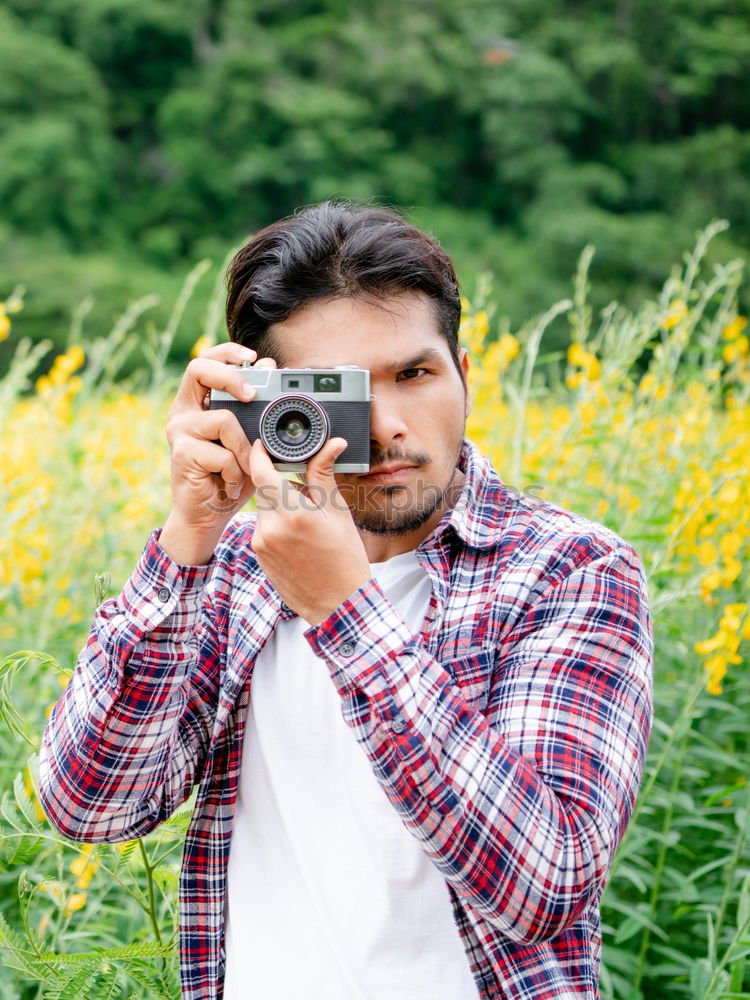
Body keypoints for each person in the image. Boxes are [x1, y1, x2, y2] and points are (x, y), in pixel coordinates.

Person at [39, 201, 654, 1000]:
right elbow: (87, 805)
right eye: (343, 395)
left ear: (464, 372)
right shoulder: (232, 568)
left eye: (415, 374)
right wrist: (188, 533)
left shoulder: (566, 568)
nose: (391, 426)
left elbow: (545, 883)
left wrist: (344, 610)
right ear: (267, 406)